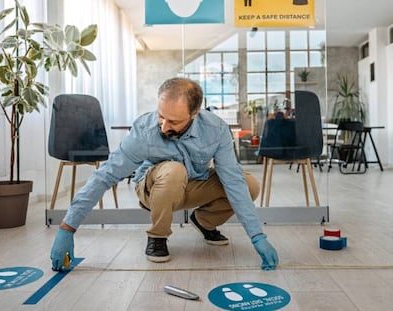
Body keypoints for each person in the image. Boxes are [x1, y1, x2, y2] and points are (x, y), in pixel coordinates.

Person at [50, 77, 279, 271]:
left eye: (174, 121)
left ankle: (204, 222)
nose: (163, 127)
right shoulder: (145, 131)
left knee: (248, 185)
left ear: (195, 113)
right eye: (161, 116)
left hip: (192, 184)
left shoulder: (216, 130)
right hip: (153, 188)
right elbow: (106, 175)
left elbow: (233, 182)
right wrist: (67, 227)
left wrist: (257, 236)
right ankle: (157, 237)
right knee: (173, 170)